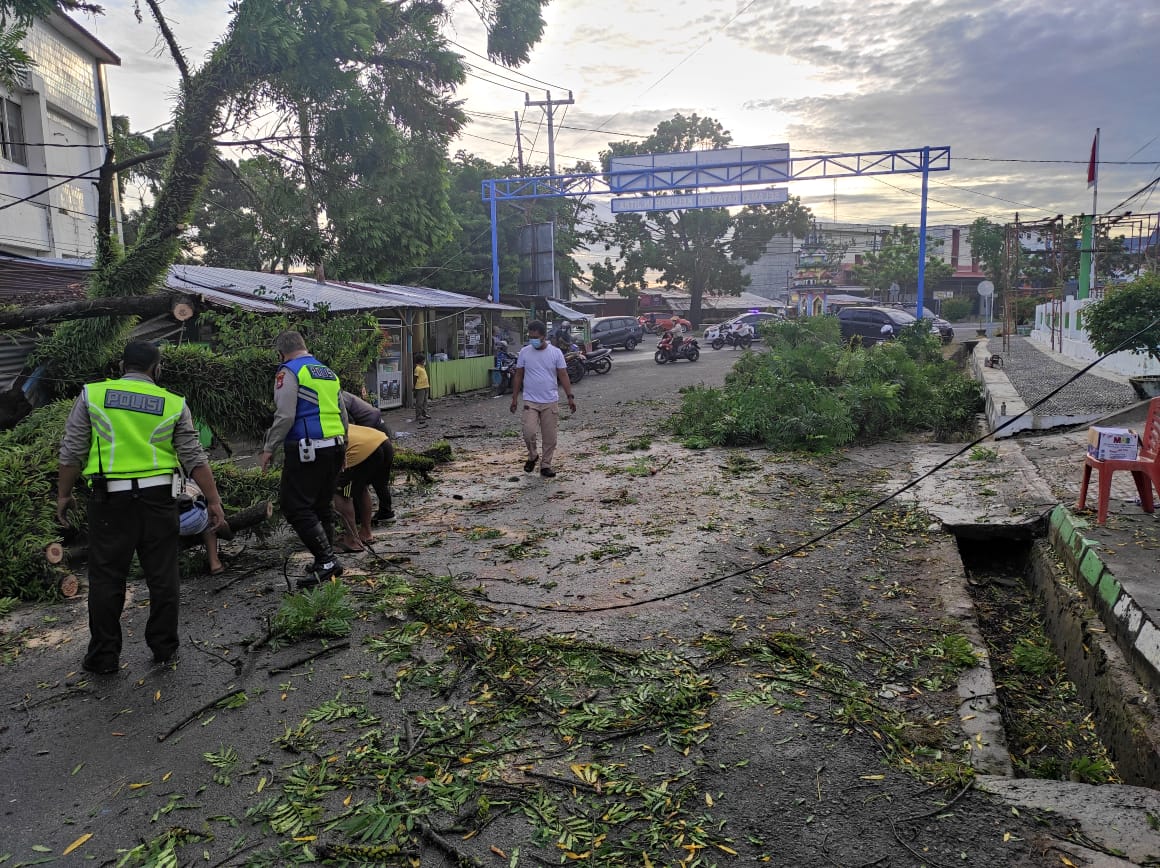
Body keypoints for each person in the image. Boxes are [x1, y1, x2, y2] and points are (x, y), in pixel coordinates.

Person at [56, 341, 226, 674]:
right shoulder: (173, 403)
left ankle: (104, 657)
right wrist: (215, 500)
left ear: (122, 365)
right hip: (159, 501)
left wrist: (64, 495)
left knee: (106, 579)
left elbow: (72, 450)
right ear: (157, 368)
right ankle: (164, 649)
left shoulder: (93, 395)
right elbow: (194, 457)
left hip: (109, 502)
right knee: (163, 576)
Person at [259, 330, 349, 589]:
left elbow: (286, 415)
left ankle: (327, 560)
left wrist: (269, 447)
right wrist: (344, 448)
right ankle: (326, 558)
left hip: (307, 449)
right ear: (304, 346)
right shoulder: (326, 372)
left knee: (294, 506)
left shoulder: (288, 371)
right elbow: (342, 415)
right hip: (334, 445)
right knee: (321, 505)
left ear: (281, 353)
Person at [509, 320, 577, 479]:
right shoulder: (525, 352)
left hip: (550, 400)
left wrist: (570, 397)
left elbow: (563, 375)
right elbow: (519, 375)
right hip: (530, 401)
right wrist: (514, 398)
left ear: (543, 336)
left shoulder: (556, 353)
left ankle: (546, 465)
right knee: (528, 432)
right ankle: (532, 456)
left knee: (550, 436)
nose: (533, 340)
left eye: (536, 337)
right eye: (530, 336)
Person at [332, 423, 394, 551]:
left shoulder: (309, 433)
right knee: (361, 488)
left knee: (341, 493)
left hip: (363, 450)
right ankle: (366, 533)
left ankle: (352, 540)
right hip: (383, 442)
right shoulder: (333, 422)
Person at [178, 479, 224, 575]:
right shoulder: (198, 477)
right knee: (211, 518)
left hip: (167, 522)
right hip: (193, 519)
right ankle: (215, 563)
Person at [413, 353, 431, 421]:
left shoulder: (422, 367)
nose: (425, 361)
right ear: (420, 361)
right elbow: (415, 378)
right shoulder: (417, 368)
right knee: (419, 402)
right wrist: (414, 386)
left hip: (426, 386)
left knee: (425, 401)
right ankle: (418, 415)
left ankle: (424, 414)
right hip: (420, 387)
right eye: (424, 360)